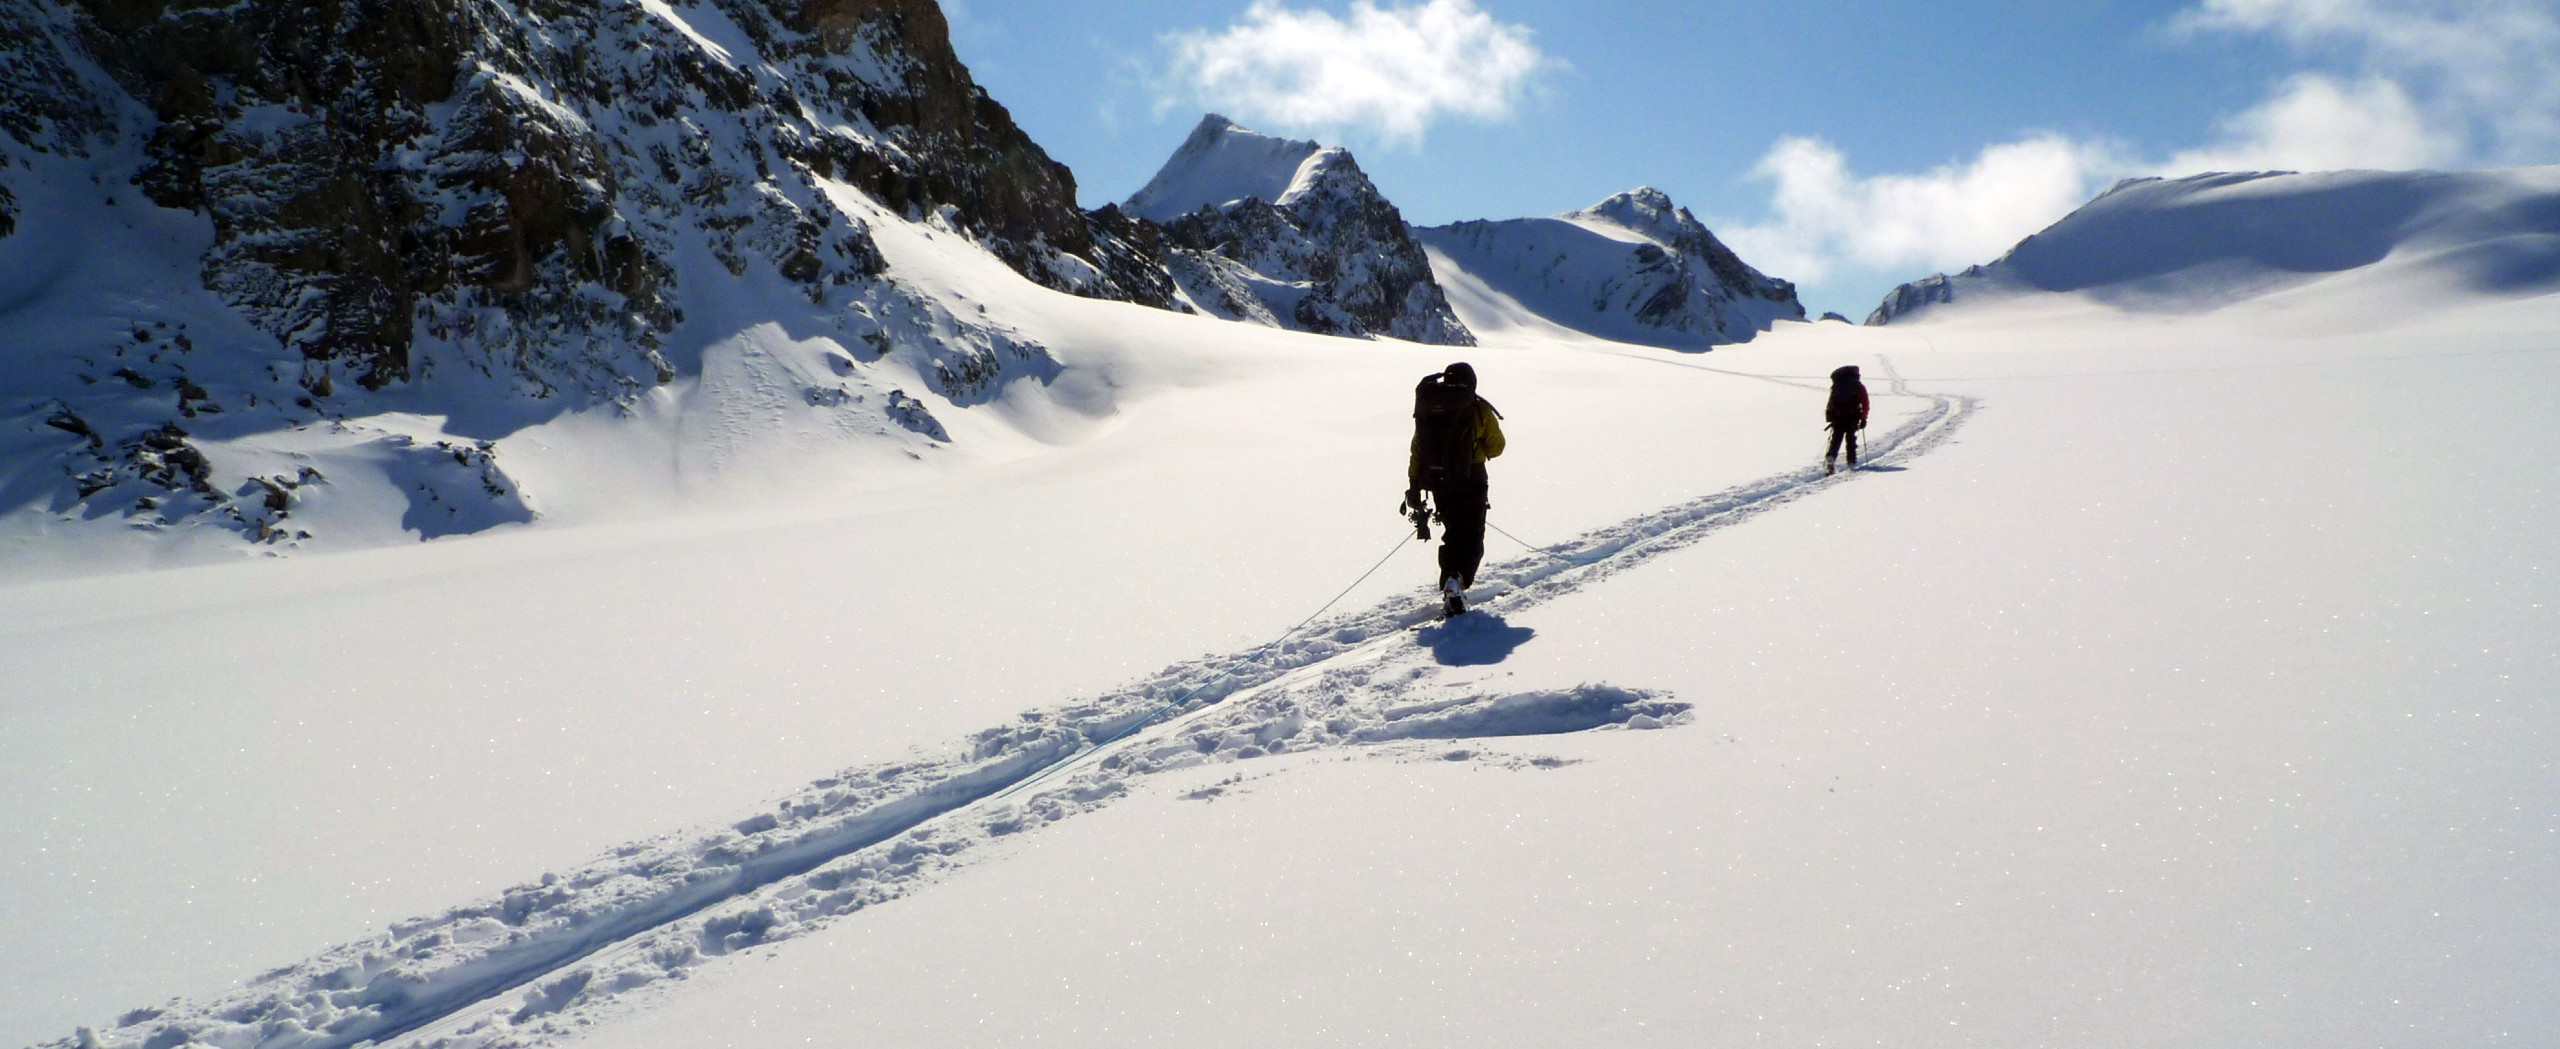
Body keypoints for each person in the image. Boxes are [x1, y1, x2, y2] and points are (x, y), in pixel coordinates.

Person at [1404, 362, 1505, 617]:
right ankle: (1456, 583)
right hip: (1472, 479)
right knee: (1472, 538)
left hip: (1440, 483)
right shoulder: (1477, 408)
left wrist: (1414, 485)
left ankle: (1451, 581)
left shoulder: (1431, 409)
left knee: (1452, 534)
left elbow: (1418, 450)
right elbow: (1496, 447)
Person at [1824, 364, 1869, 475]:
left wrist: (1830, 416)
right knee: (1850, 440)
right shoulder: (1858, 386)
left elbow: (1830, 402)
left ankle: (1831, 458)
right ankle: (1851, 462)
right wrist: (1863, 418)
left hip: (1838, 417)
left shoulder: (1837, 385)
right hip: (1852, 417)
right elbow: (1865, 403)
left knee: (1836, 439)